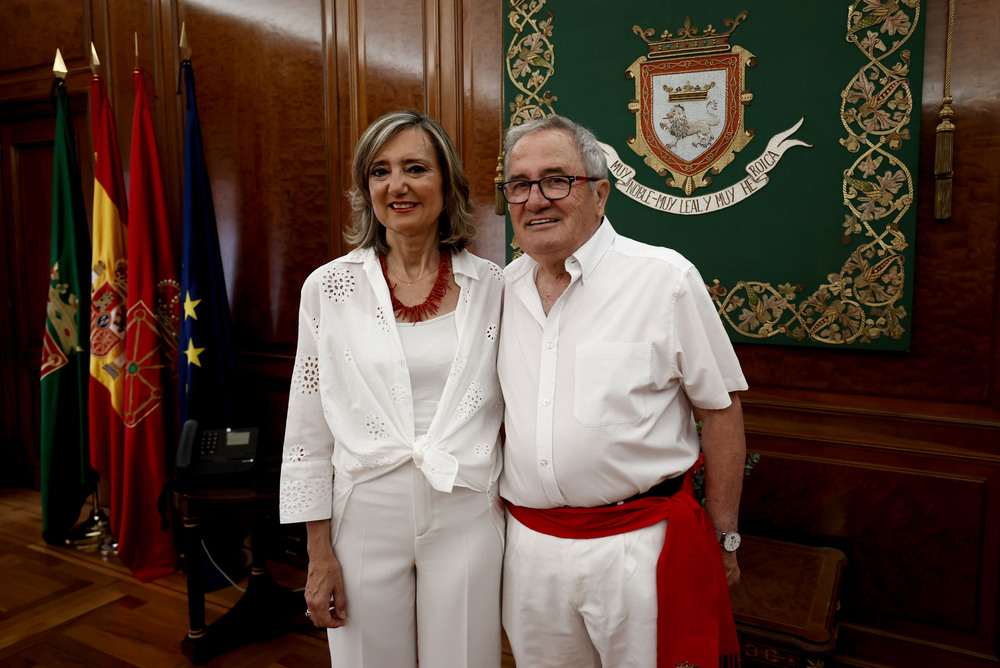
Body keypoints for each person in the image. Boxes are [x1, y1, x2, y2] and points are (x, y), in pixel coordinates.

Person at [497, 114, 748, 668]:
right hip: (530, 551)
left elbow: (722, 410)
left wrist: (725, 537)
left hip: (639, 548)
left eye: (556, 180)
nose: (535, 199)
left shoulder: (665, 279)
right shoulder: (500, 292)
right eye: (520, 184)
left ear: (600, 192)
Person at [279, 110, 505, 668]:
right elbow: (308, 430)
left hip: (466, 512)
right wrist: (318, 554)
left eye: (415, 168)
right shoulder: (328, 288)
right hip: (364, 514)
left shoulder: (497, 288)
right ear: (367, 190)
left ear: (447, 184)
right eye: (380, 171)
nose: (396, 185)